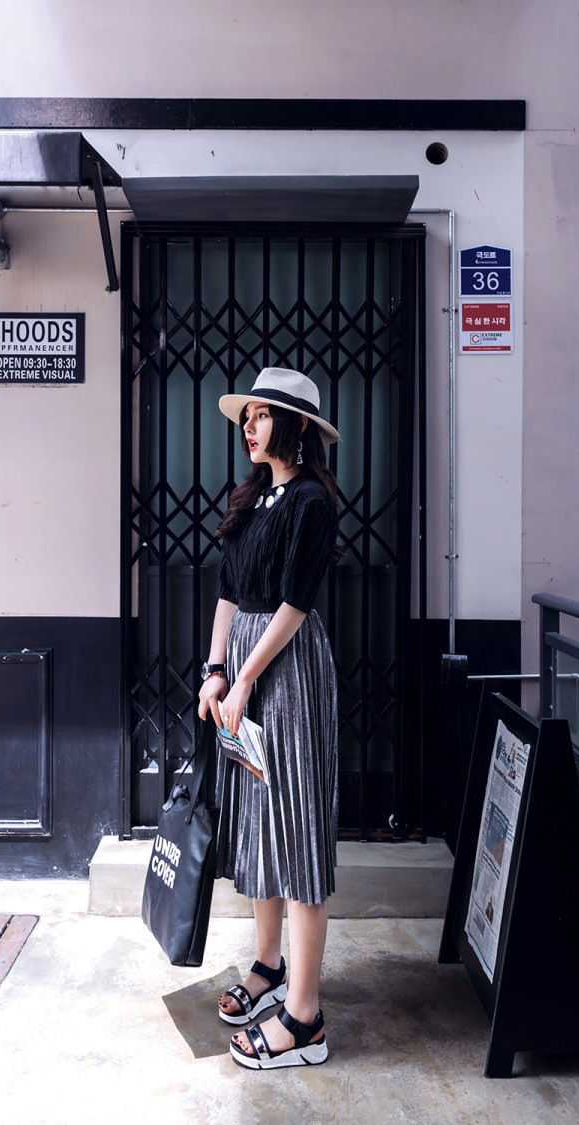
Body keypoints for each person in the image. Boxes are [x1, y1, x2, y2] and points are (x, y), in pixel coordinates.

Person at [198, 367, 341, 1071]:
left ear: (296, 425)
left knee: (298, 828)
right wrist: (215, 668)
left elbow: (294, 603)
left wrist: (247, 675)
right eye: (246, 416)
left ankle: (305, 1018)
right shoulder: (254, 496)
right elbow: (230, 589)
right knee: (259, 820)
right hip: (246, 675)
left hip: (289, 673)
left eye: (260, 415)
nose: (248, 427)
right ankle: (268, 964)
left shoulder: (311, 501)